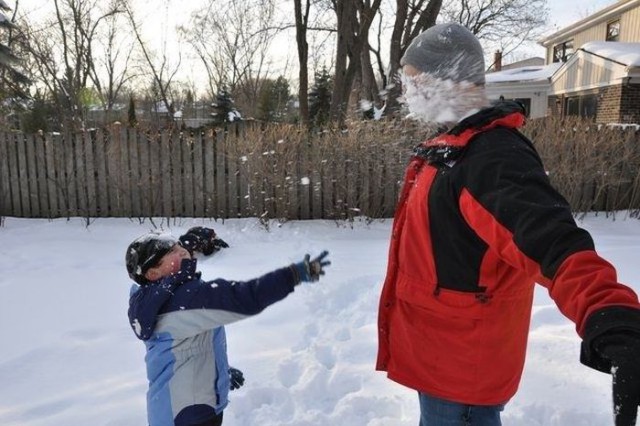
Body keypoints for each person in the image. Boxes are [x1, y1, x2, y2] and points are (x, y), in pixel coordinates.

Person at [376, 23, 640, 426]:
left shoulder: (492, 157)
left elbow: (551, 241)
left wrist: (607, 310)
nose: (408, 95)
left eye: (417, 83)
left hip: (462, 369)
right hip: (439, 353)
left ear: (453, 81)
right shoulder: (452, 147)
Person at [126, 226, 330, 426]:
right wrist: (293, 275)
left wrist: (218, 371)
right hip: (187, 415)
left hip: (181, 408)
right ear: (152, 274)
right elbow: (244, 298)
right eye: (170, 251)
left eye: (178, 244)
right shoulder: (183, 300)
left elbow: (183, 350)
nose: (181, 250)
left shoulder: (154, 300)